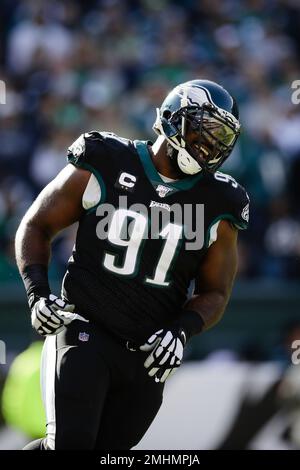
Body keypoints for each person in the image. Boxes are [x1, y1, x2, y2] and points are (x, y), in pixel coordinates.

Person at [15, 79, 249, 450]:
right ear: (174, 117)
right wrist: (38, 293)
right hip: (85, 330)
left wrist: (182, 331)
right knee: (70, 444)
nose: (210, 146)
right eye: (205, 131)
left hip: (147, 356)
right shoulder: (107, 159)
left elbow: (215, 291)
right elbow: (37, 225)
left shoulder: (220, 201)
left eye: (220, 138)